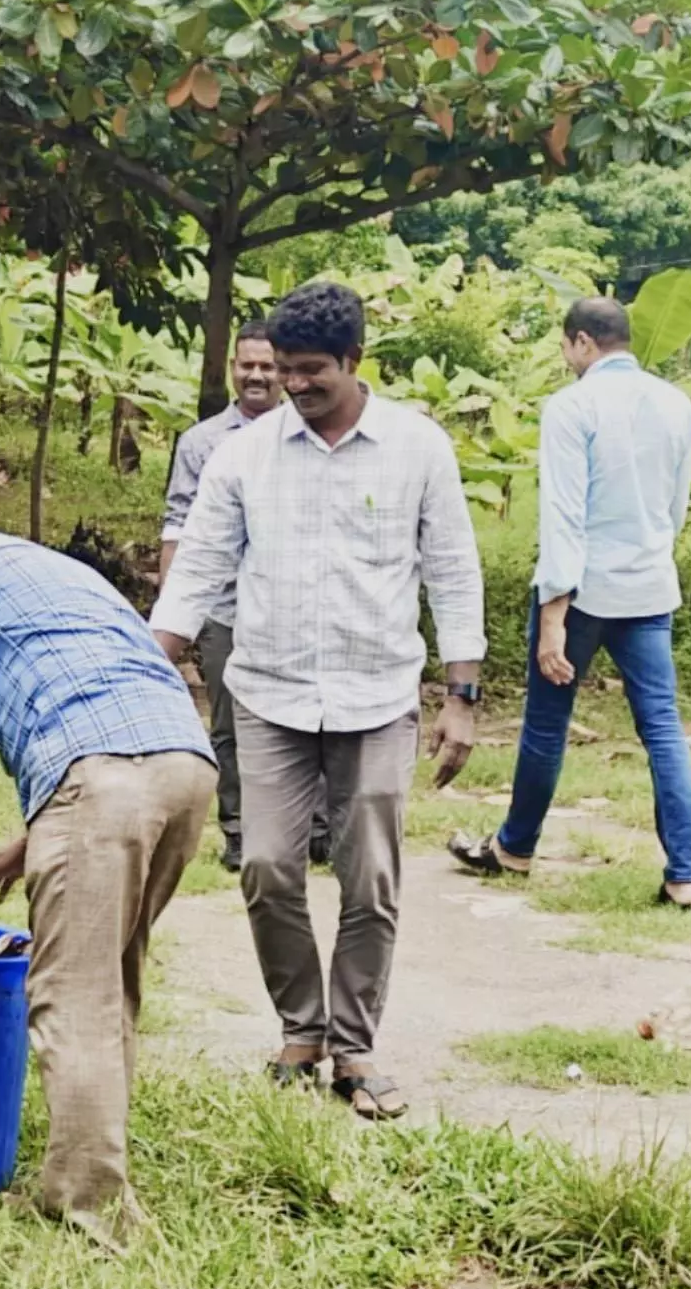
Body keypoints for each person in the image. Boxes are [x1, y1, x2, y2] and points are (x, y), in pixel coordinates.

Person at [149, 280, 485, 1123]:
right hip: (268, 692)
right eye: (284, 371)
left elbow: (452, 569)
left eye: (311, 373)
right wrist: (152, 667)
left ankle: (355, 1043)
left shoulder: (417, 447)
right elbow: (198, 569)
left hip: (377, 696)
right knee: (265, 866)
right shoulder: (245, 455)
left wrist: (463, 695)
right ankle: (301, 1031)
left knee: (371, 877)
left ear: (354, 361)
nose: (293, 387)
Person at [0, 514, 216, 1243]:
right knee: (112, 978)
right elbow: (119, 723)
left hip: (101, 774)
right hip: (186, 764)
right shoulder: (42, 569)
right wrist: (32, 840)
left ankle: (85, 1206)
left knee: (71, 996)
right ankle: (101, 1181)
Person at [452, 297, 691, 908]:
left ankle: (514, 849)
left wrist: (553, 616)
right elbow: (675, 506)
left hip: (582, 591)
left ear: (583, 342)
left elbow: (565, 515)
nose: (566, 358)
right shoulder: (676, 404)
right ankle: (687, 875)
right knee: (663, 728)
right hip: (648, 587)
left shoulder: (572, 406)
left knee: (545, 726)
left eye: (566, 347)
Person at [159, 322, 295, 869]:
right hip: (223, 610)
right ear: (232, 368)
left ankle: (315, 827)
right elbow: (177, 527)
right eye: (248, 365)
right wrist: (173, 617)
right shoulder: (202, 443)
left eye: (268, 366)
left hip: (291, 609)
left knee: (302, 719)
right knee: (229, 725)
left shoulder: (304, 436)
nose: (257, 375)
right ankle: (238, 830)